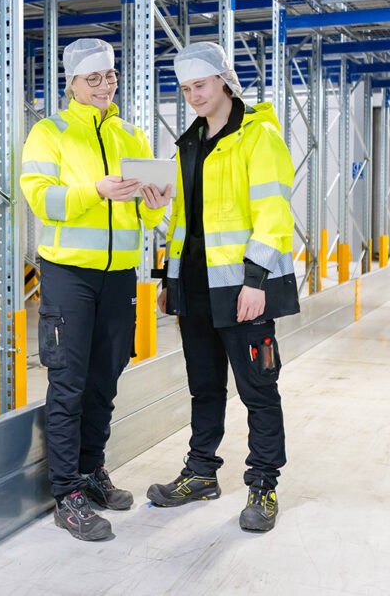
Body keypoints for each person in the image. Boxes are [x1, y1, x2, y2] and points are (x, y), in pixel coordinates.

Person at [21, 38, 174, 541]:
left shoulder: (132, 135)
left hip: (120, 275)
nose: (105, 86)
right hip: (69, 273)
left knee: (106, 378)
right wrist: (96, 190)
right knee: (69, 381)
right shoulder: (50, 133)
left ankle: (90, 472)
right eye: (94, 79)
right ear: (72, 84)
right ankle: (66, 492)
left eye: (110, 77)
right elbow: (43, 201)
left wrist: (157, 199)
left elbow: (147, 213)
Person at [149, 42, 298, 532]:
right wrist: (170, 279)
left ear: (224, 82)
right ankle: (201, 473)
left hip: (241, 288)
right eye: (186, 88)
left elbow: (274, 216)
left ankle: (263, 486)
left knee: (258, 388)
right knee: (204, 387)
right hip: (194, 288)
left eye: (201, 85)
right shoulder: (188, 142)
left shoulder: (259, 137)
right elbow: (181, 222)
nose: (193, 95)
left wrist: (255, 281)